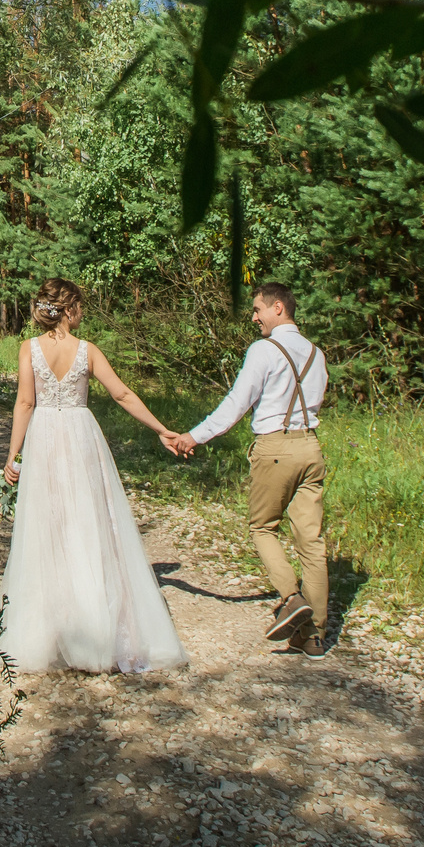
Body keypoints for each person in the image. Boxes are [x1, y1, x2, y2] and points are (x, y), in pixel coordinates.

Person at [0, 281, 190, 674]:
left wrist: (14, 456)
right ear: (70, 310)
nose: (82, 312)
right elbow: (122, 394)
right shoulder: (87, 351)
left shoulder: (29, 348)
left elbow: (26, 402)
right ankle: (96, 626)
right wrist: (161, 429)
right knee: (88, 525)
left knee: (49, 528)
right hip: (82, 438)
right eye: (79, 306)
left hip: (45, 438)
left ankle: (49, 631)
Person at [162, 281, 332, 658]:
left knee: (262, 527)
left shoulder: (264, 350)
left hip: (275, 448)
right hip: (311, 448)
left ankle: (291, 598)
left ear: (278, 309)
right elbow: (316, 401)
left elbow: (237, 404)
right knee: (312, 541)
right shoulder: (316, 354)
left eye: (258, 309)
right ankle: (315, 635)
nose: (254, 317)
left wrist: (195, 436)